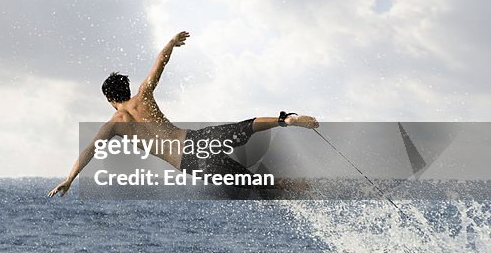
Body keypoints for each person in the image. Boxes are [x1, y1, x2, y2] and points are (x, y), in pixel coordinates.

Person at [47, 31, 318, 198]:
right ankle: (285, 119)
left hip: (189, 161)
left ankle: (295, 188)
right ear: (126, 89)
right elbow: (159, 64)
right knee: (244, 127)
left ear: (109, 99)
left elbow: (90, 150)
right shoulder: (143, 95)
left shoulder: (114, 125)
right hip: (195, 139)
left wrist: (69, 179)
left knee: (251, 182)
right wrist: (171, 43)